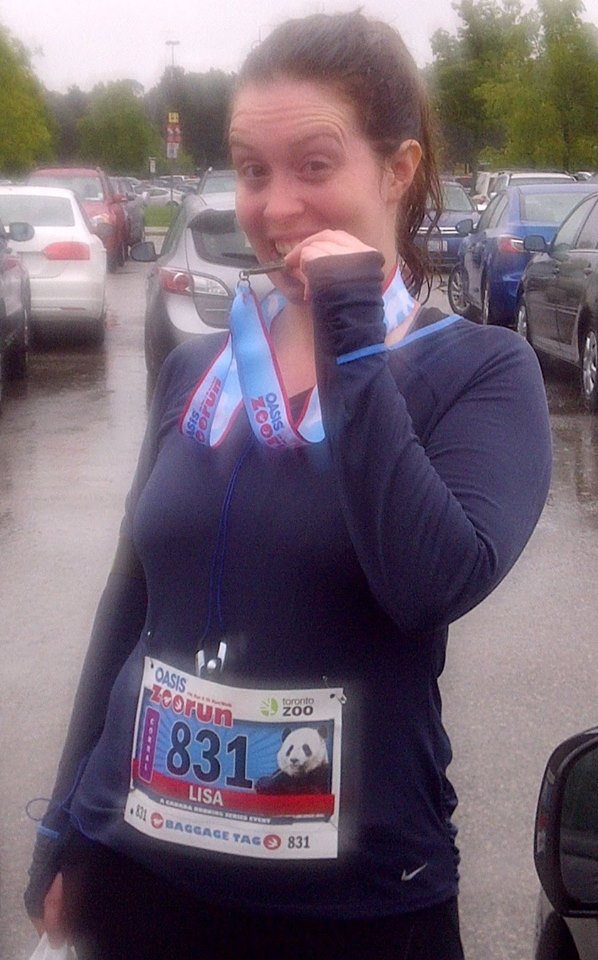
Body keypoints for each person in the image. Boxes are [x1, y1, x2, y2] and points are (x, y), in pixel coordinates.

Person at [25, 12, 552, 960]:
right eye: (252, 170)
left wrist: (351, 333)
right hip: (134, 870)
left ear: (398, 169)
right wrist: (62, 826)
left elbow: (429, 581)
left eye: (315, 165)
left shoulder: (479, 371)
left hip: (353, 910)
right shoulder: (200, 372)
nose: (275, 206)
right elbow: (131, 604)